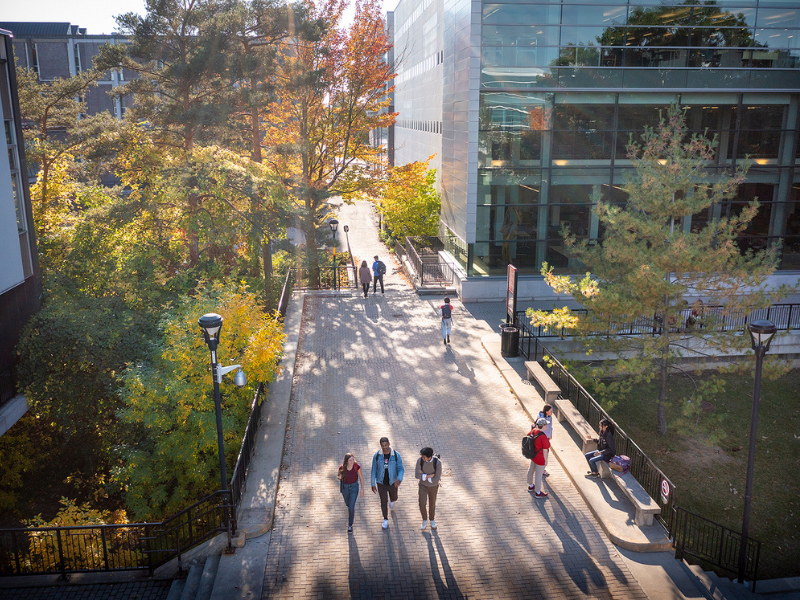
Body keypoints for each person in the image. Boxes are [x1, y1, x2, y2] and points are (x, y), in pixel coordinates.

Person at [371, 437, 404, 530]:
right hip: (381, 482)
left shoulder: (396, 455)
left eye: (386, 445)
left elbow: (401, 469)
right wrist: (372, 483)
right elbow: (373, 470)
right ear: (380, 446)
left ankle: (392, 500)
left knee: (394, 497)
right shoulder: (377, 456)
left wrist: (399, 479)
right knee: (383, 500)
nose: (384, 447)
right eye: (382, 446)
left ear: (389, 444)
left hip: (393, 482)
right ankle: (385, 519)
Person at [415, 447, 442, 530]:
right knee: (422, 503)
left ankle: (432, 519)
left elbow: (437, 478)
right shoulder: (420, 461)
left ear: (429, 457)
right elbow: (417, 475)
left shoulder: (437, 462)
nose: (422, 458)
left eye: (424, 457)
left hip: (433, 487)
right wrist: (429, 476)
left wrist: (424, 476)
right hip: (422, 486)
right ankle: (424, 519)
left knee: (432, 503)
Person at [337, 452, 365, 532]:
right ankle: (349, 508)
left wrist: (362, 489)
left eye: (353, 459)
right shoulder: (342, 468)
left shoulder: (357, 466)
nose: (352, 462)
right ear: (346, 461)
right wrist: (340, 477)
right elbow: (338, 475)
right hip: (345, 487)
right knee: (348, 504)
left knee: (351, 507)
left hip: (354, 487)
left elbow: (361, 477)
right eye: (350, 460)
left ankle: (350, 525)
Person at [527, 417, 550, 498]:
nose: (547, 426)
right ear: (543, 426)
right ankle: (537, 492)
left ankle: (530, 486)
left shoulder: (533, 431)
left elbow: (528, 436)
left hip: (533, 456)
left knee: (531, 470)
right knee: (538, 475)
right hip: (540, 458)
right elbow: (545, 450)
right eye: (546, 424)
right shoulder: (543, 437)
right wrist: (546, 460)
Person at [537, 405, 553, 476]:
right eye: (551, 411)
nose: (552, 412)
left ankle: (542, 468)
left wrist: (550, 434)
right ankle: (542, 469)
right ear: (546, 412)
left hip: (547, 437)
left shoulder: (550, 417)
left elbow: (550, 427)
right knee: (544, 453)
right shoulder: (542, 419)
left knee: (544, 453)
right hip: (543, 438)